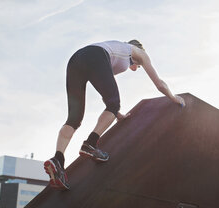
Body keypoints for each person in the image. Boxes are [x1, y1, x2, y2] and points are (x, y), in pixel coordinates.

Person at [44, 40, 185, 190]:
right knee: (114, 104)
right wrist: (173, 97)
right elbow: (159, 84)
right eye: (138, 66)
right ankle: (90, 144)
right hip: (95, 55)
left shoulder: (116, 50)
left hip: (76, 60)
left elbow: (105, 91)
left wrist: (116, 113)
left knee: (74, 118)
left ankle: (58, 160)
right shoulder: (139, 53)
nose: (137, 68)